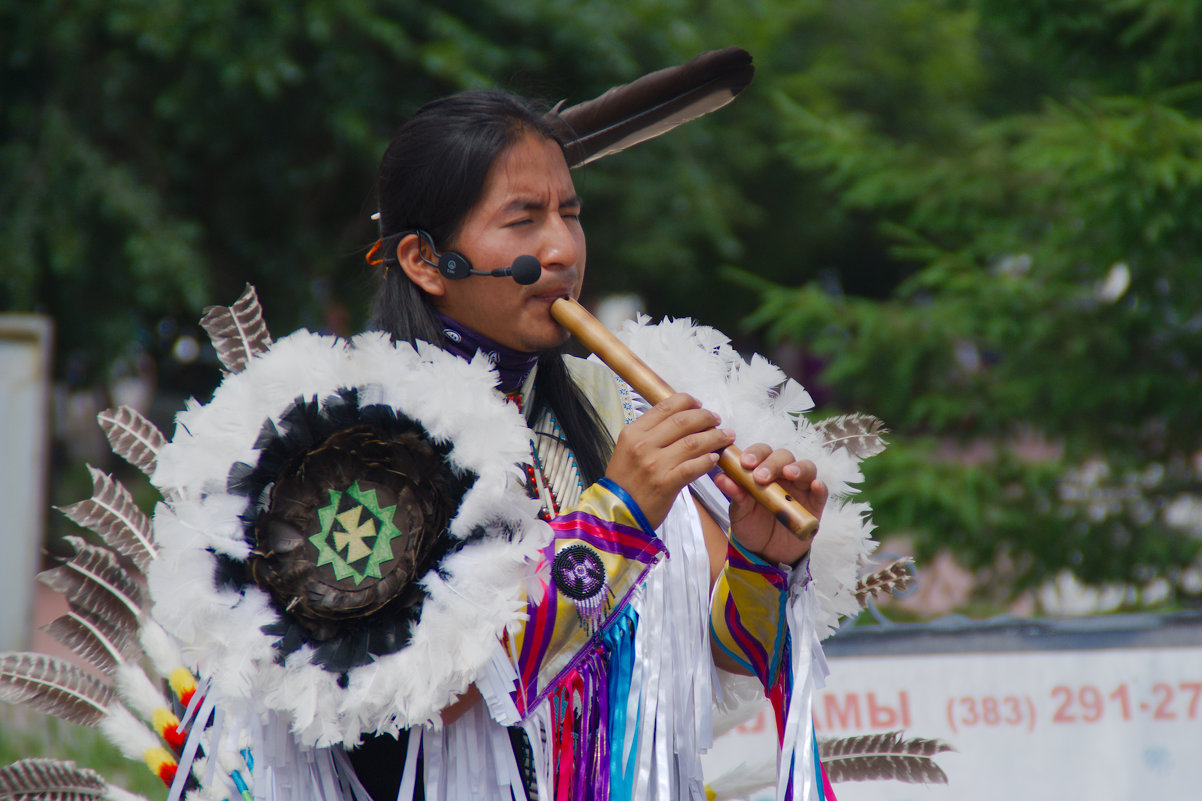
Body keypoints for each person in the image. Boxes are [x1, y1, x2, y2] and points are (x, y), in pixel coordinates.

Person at [350, 89, 840, 800]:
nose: (562, 249)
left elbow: (721, 654)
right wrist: (618, 519)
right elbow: (424, 685)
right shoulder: (349, 444)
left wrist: (761, 559)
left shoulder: (611, 408)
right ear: (426, 261)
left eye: (570, 214)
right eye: (523, 220)